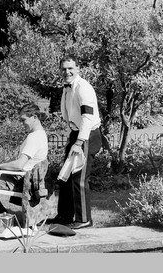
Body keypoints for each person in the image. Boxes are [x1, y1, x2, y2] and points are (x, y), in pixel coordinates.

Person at [47, 56, 103, 230]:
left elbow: (88, 118)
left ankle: (84, 219)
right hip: (76, 134)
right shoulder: (66, 88)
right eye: (63, 69)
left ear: (78, 69)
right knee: (65, 176)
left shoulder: (83, 88)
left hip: (86, 136)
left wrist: (79, 142)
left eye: (70, 68)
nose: (67, 72)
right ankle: (64, 216)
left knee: (79, 179)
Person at [0, 103, 49, 216]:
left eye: (24, 120)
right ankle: (0, 213)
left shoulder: (34, 137)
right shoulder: (41, 135)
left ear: (35, 117)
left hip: (20, 181)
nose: (22, 124)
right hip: (26, 179)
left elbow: (19, 165)